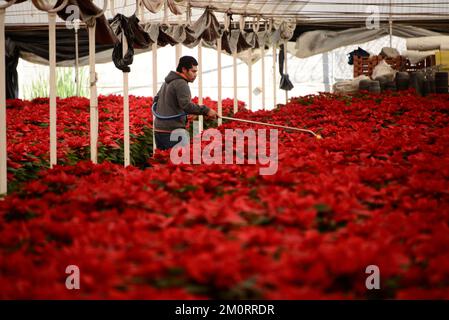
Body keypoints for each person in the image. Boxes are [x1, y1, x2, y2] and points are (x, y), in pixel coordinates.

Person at [153, 56, 217, 150]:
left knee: (164, 161)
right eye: (193, 71)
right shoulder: (181, 83)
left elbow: (156, 100)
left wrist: (183, 115)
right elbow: (186, 105)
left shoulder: (167, 82)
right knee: (181, 160)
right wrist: (206, 110)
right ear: (184, 69)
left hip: (159, 130)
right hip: (173, 131)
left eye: (196, 71)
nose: (195, 75)